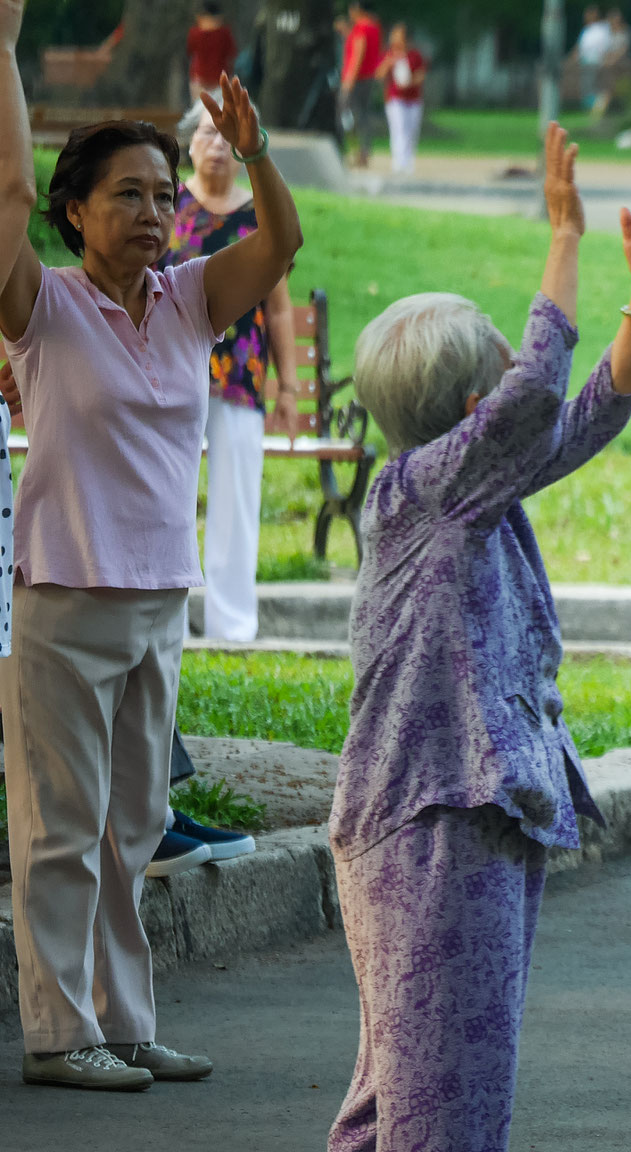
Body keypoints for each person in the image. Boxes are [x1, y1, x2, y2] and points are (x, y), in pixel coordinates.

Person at [328, 126, 631, 1151]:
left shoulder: (474, 493)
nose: (518, 363)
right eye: (499, 358)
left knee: (404, 1094)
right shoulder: (422, 491)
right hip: (430, 819)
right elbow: (541, 388)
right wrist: (566, 233)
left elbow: (586, 413)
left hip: (467, 811)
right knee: (440, 1105)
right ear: (469, 410)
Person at [0, 52, 303, 1094]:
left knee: (133, 827)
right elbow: (4, 193)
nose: (150, 211)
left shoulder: (187, 301)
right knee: (61, 829)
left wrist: (253, 148)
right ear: (74, 213)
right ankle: (56, 1035)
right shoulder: (41, 307)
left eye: (164, 196)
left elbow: (284, 242)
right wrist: (5, 52)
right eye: (125, 194)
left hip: (155, 599)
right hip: (63, 598)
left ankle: (125, 1024)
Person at [160, 101, 301, 646]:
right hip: (172, 372)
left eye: (226, 137)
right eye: (205, 134)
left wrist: (287, 385)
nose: (216, 145)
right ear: (188, 143)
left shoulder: (259, 214)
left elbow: (280, 307)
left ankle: (233, 627)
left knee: (236, 504)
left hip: (241, 379)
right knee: (165, 494)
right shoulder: (167, 204)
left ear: (244, 149)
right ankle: (163, 614)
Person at [375, 22, 427, 175]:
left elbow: (421, 74)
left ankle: (408, 161)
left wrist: (410, 82)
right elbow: (379, 74)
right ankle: (399, 161)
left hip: (413, 98)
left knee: (411, 130)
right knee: (399, 128)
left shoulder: (414, 55)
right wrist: (388, 63)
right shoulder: (389, 54)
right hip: (395, 98)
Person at [338, 2, 383, 170]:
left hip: (356, 79)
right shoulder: (375, 26)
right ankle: (364, 151)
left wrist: (349, 80)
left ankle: (352, 149)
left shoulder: (361, 28)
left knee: (347, 114)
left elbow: (358, 54)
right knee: (364, 115)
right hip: (369, 78)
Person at [186, 2, 235, 105]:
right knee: (220, 111)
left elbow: (190, 51)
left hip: (199, 77)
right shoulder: (224, 32)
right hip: (220, 78)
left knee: (199, 110)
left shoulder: (195, 32)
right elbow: (231, 53)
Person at [574, 6, 612, 112]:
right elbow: (580, 46)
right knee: (586, 86)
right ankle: (591, 107)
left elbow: (605, 46)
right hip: (585, 61)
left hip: (596, 60)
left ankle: (596, 107)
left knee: (592, 85)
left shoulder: (602, 29)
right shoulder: (586, 30)